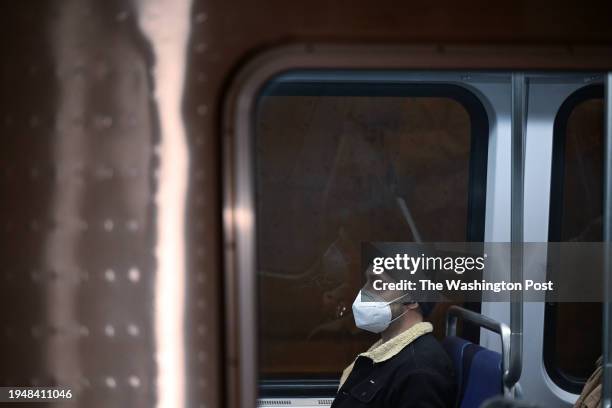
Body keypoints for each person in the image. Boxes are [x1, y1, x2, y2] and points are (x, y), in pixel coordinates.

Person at [331, 265, 456, 408]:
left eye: (377, 284)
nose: (363, 292)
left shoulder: (420, 371)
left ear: (412, 300)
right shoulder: (384, 355)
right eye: (366, 281)